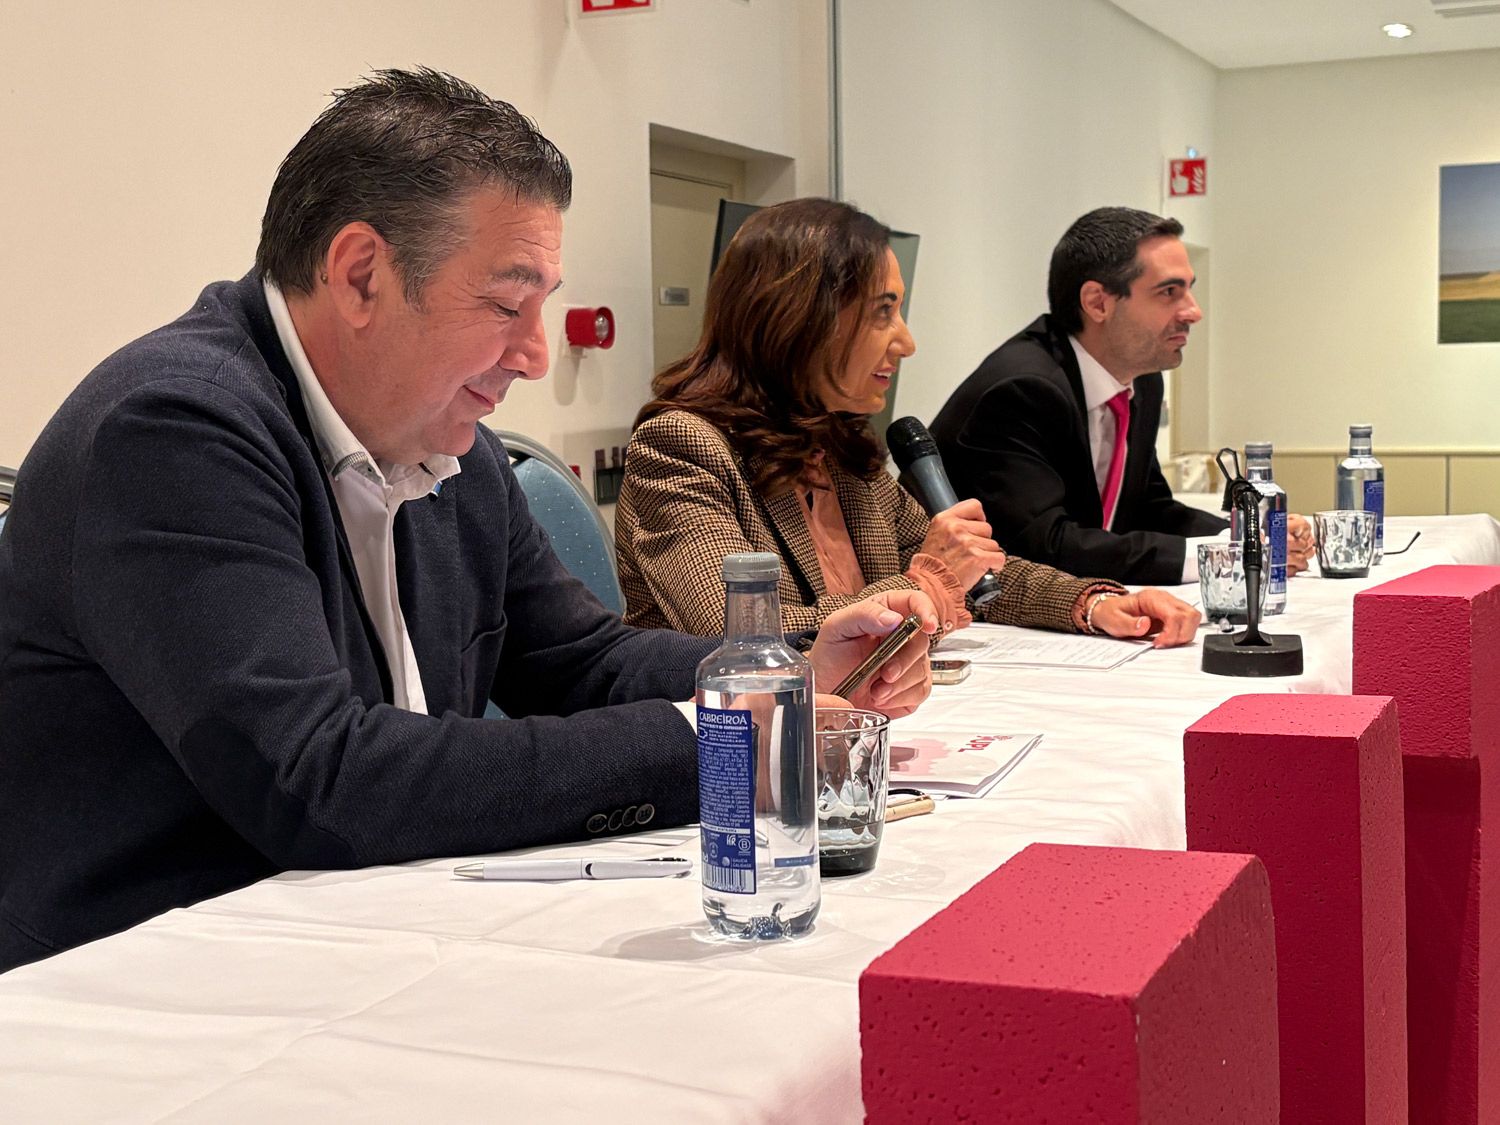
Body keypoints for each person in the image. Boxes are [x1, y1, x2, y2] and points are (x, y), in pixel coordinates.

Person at [0, 71, 936, 973]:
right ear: (361, 273)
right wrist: (711, 735)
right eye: (504, 303)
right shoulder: (174, 430)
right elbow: (321, 779)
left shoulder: (452, 446)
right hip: (143, 979)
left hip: (367, 927)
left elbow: (580, 660)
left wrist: (780, 676)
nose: (533, 354)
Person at [615, 198, 1199, 645]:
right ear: (799, 319)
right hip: (740, 764)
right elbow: (743, 638)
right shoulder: (680, 447)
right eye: (883, 312)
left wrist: (1095, 604)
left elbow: (975, 576)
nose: (907, 342)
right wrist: (925, 586)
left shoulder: (838, 449)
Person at [931, 206, 1315, 587]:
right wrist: (1219, 557)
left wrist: (1250, 534)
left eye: (1189, 290)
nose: (1193, 312)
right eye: (1169, 292)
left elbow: (1149, 510)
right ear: (1098, 302)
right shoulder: (1022, 390)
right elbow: (1043, 545)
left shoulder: (1142, 382)